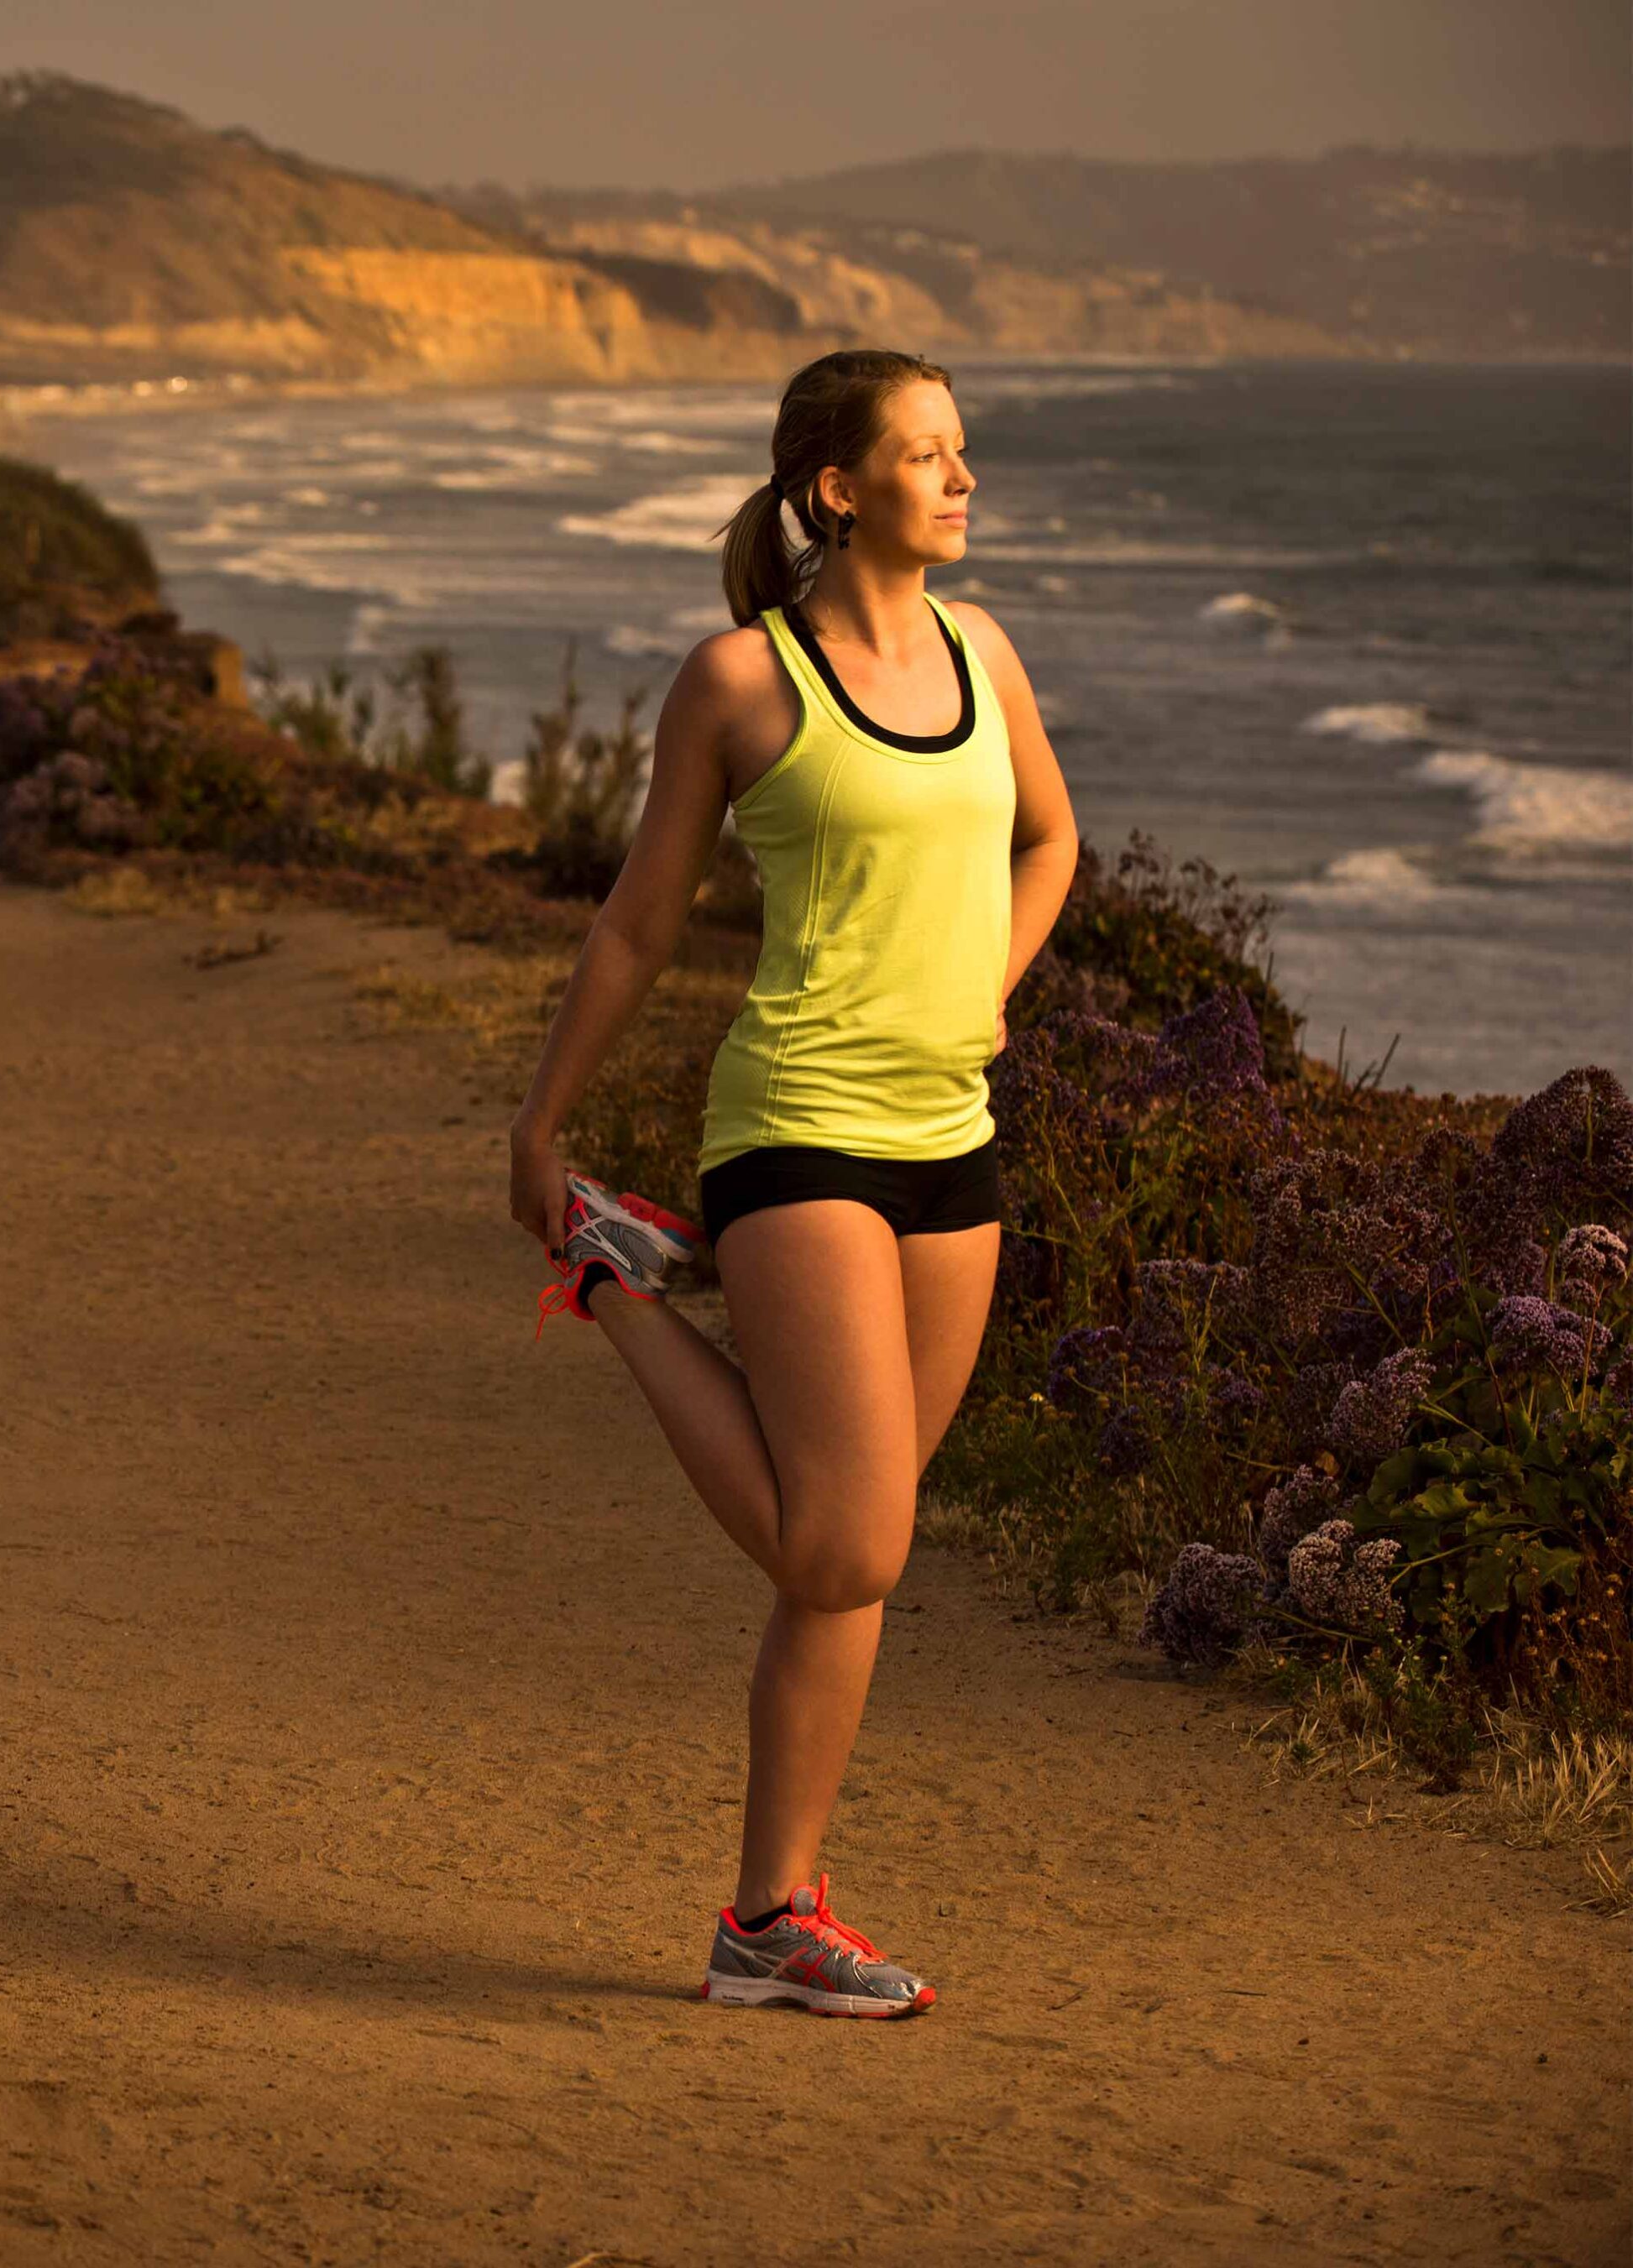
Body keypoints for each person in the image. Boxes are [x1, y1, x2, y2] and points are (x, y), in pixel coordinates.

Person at [503, 349, 1080, 2018]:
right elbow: (635, 920)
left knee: (854, 1556)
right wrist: (542, 1126)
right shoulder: (740, 682)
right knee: (844, 1540)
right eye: (924, 454)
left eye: (962, 450)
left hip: (944, 1142)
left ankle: (767, 1918)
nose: (960, 479)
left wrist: (989, 981)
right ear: (836, 488)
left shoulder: (983, 653)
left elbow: (1047, 836)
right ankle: (611, 1275)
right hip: (797, 1128)